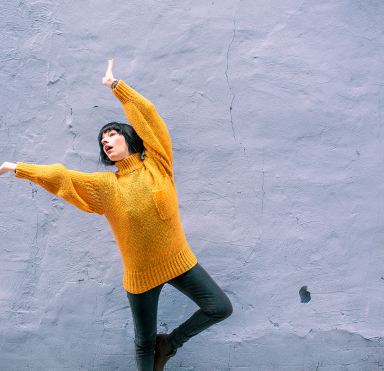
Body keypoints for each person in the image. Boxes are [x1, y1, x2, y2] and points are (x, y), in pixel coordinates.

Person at [0, 60, 233, 371]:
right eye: (102, 140)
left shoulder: (158, 164)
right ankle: (156, 352)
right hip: (141, 276)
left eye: (111, 134)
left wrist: (116, 87)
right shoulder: (105, 186)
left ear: (129, 137)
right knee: (143, 342)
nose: (105, 140)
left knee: (220, 307)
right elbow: (62, 176)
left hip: (179, 260)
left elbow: (149, 116)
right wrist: (16, 168)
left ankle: (172, 343)